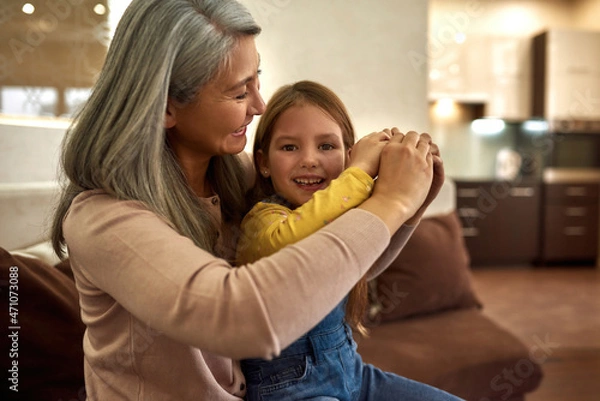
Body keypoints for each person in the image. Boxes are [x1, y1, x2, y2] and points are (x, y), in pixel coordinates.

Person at [50, 0, 444, 400]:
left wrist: (411, 195)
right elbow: (241, 317)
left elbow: (333, 271)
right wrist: (390, 202)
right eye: (240, 93)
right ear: (167, 105)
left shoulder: (236, 176)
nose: (259, 106)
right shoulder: (104, 218)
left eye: (257, 80)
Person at [236, 80, 462, 401]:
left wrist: (416, 204)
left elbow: (363, 266)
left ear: (348, 154)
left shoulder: (345, 216)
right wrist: (358, 173)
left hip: (353, 374)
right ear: (263, 163)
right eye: (289, 147)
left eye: (327, 146)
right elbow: (290, 243)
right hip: (292, 390)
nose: (310, 159)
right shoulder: (263, 220)